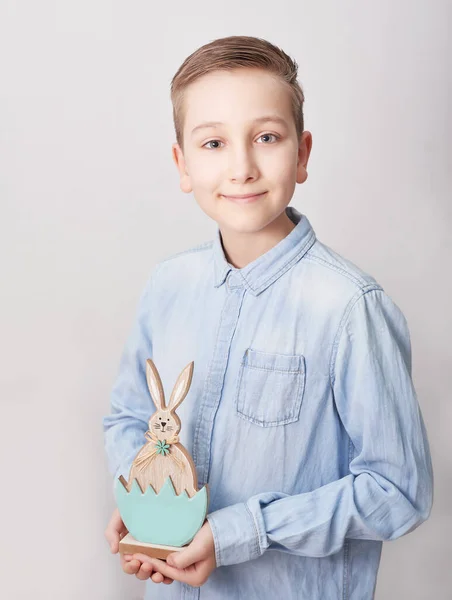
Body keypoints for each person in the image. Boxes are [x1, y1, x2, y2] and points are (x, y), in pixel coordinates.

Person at [102, 35, 434, 599]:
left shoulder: (351, 308)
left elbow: (397, 489)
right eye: (213, 143)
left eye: (266, 137)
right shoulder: (168, 285)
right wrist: (143, 502)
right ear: (182, 163)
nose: (242, 167)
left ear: (302, 154)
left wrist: (237, 532)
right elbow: (130, 417)